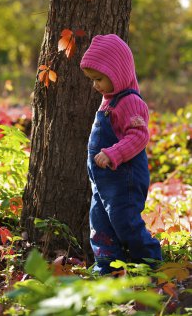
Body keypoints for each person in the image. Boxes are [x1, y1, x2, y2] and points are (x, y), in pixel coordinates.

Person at [80, 34, 162, 275]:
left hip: (124, 179)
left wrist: (113, 153)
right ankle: (108, 266)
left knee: (125, 222)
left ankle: (149, 260)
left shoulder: (130, 102)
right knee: (100, 223)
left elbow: (138, 136)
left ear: (117, 74)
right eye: (92, 79)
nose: (95, 85)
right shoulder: (108, 101)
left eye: (99, 79)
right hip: (103, 181)